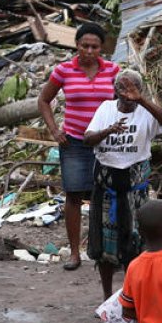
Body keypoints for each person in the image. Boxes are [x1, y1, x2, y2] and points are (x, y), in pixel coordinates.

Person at [37, 22, 119, 272]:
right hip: (74, 141)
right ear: (77, 45)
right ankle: (74, 253)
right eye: (85, 46)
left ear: (102, 47)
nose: (90, 51)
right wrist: (54, 130)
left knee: (103, 195)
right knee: (73, 195)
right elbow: (44, 100)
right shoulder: (64, 71)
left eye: (95, 46)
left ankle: (102, 249)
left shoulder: (113, 70)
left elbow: (122, 102)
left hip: (106, 142)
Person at [83, 69, 162, 301]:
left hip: (134, 190)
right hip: (107, 190)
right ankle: (106, 296)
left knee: (136, 244)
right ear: (115, 92)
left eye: (132, 89)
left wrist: (140, 99)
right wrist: (108, 131)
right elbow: (87, 138)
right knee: (104, 249)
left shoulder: (145, 112)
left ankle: (132, 296)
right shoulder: (106, 109)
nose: (126, 95)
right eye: (121, 89)